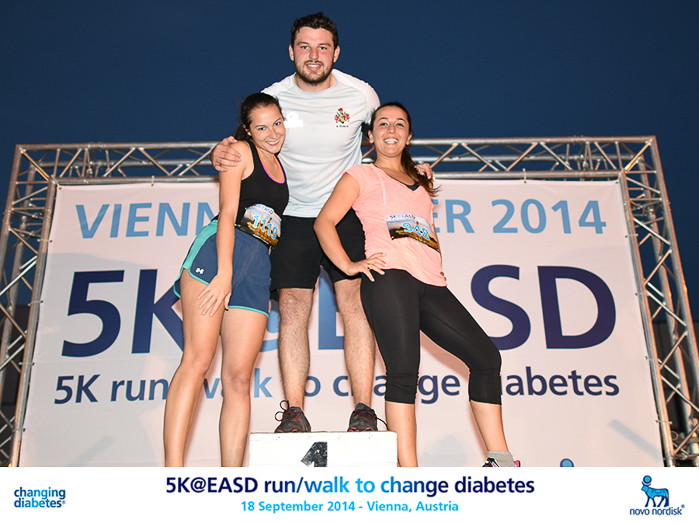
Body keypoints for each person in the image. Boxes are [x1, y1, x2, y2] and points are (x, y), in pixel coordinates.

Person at [212, 13, 400, 433]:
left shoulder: (361, 95)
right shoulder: (273, 96)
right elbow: (242, 145)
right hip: (292, 217)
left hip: (344, 215)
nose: (313, 55)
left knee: (356, 306)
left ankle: (363, 410)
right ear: (291, 51)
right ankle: (294, 413)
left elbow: (388, 138)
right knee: (294, 309)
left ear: (336, 52)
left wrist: (410, 170)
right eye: (304, 46)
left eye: (322, 47)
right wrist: (218, 153)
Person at [314, 102, 519, 467]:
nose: (390, 130)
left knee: (487, 358)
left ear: (409, 136)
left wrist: (420, 177)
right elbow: (323, 222)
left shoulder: (421, 180)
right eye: (382, 124)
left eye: (399, 124)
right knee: (404, 372)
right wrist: (348, 265)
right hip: (389, 277)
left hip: (431, 282)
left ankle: (501, 461)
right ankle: (409, 473)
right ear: (370, 135)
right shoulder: (361, 175)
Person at [163, 93, 288, 466]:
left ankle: (232, 479)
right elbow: (229, 212)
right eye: (262, 127)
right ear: (247, 130)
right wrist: (224, 274)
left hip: (256, 268)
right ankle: (171, 473)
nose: (272, 133)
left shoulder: (282, 163)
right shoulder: (239, 153)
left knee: (238, 379)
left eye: (277, 123)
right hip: (219, 258)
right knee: (198, 359)